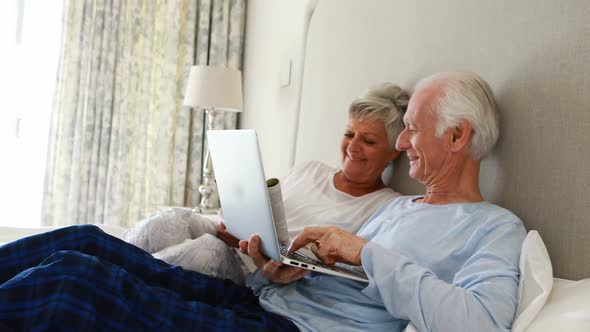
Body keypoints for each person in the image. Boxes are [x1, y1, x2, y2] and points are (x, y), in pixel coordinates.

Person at [0, 72, 526, 332]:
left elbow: (478, 322)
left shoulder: (494, 228)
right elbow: (350, 271)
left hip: (291, 331)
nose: (404, 143)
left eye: (411, 131)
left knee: (73, 285)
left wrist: (362, 250)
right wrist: (274, 272)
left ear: (457, 138)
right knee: (85, 243)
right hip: (261, 302)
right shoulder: (402, 209)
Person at [123, 83, 408, 284]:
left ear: (395, 150)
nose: (353, 147)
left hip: (256, 267)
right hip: (236, 237)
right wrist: (233, 216)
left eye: (368, 140)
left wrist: (259, 254)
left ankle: (107, 275)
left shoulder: (385, 206)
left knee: (204, 251)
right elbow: (263, 206)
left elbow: (350, 265)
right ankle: (99, 258)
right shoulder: (311, 170)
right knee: (169, 220)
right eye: (349, 134)